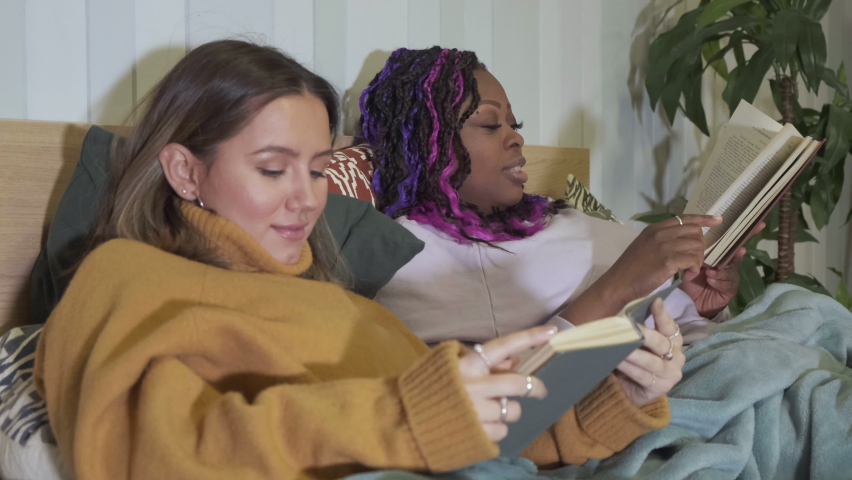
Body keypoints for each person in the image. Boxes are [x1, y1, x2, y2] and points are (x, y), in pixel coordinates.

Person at [33, 41, 680, 480]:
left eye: (317, 172)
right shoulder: (126, 276)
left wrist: (616, 397)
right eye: (271, 168)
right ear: (183, 169)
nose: (304, 201)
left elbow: (482, 437)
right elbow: (149, 453)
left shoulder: (340, 305)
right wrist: (399, 415)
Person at [360, 47, 762, 347]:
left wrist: (699, 301)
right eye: (489, 123)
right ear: (425, 145)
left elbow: (684, 323)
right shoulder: (414, 253)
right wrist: (622, 282)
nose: (516, 137)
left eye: (514, 123)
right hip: (664, 389)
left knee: (800, 309)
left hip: (714, 349)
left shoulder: (557, 216)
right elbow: (515, 384)